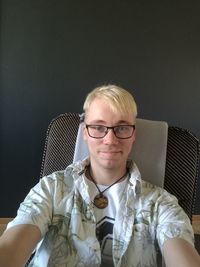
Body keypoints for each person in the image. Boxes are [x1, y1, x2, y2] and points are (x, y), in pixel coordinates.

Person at [0, 84, 199, 267]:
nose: (110, 139)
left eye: (121, 127)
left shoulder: (160, 203)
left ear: (134, 134)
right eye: (98, 127)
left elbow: (182, 252)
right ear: (85, 132)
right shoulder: (51, 189)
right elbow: (11, 247)